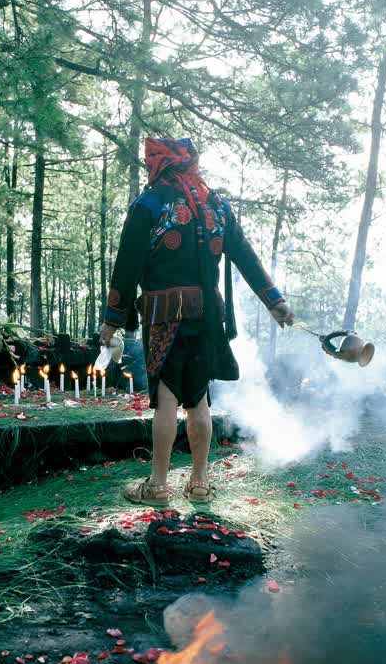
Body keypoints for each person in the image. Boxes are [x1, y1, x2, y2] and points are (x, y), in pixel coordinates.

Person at [99, 138, 294, 506]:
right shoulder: (216, 205)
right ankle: (200, 484)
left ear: (158, 164)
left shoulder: (149, 204)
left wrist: (112, 319)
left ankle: (157, 486)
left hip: (163, 314)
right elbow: (245, 257)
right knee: (199, 398)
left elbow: (126, 267)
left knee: (167, 399)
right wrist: (275, 301)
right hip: (207, 315)